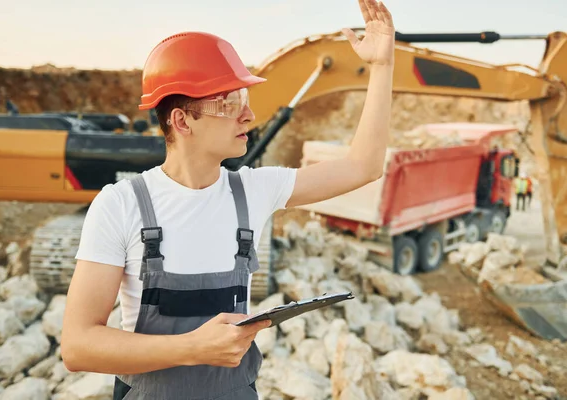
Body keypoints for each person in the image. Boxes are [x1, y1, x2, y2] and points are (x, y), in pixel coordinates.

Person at [60, 0, 395, 398]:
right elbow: (78, 346)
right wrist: (191, 348)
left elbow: (363, 166)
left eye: (244, 99)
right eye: (228, 102)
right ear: (182, 121)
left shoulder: (254, 191)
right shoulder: (121, 205)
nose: (248, 115)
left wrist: (381, 67)